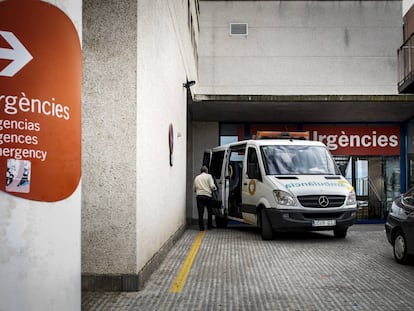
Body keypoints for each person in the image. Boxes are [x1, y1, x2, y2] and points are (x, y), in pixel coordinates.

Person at [193, 166, 217, 231]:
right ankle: (209, 225)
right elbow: (212, 186)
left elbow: (194, 189)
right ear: (206, 171)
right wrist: (214, 190)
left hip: (199, 196)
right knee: (209, 211)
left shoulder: (197, 177)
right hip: (207, 196)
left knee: (200, 212)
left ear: (201, 171)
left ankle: (201, 227)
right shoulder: (209, 176)